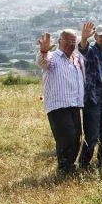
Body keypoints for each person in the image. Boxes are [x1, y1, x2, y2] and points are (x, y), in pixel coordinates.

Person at [37, 28, 85, 175]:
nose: (71, 44)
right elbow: (42, 62)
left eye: (73, 41)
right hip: (58, 105)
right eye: (67, 41)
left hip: (74, 104)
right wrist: (44, 51)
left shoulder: (76, 59)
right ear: (59, 42)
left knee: (77, 137)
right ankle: (63, 168)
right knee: (66, 137)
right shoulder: (53, 57)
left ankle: (70, 166)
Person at [78, 21, 102, 169]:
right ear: (96, 38)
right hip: (93, 100)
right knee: (92, 136)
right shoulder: (92, 51)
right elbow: (83, 49)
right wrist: (84, 38)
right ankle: (84, 165)